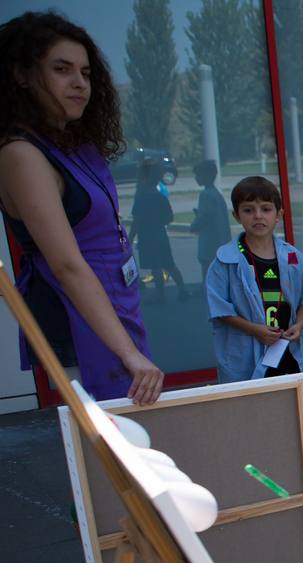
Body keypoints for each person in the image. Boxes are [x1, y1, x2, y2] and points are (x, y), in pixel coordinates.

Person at [0, 11, 161, 403]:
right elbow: (67, 265)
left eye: (86, 73)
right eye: (62, 69)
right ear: (22, 75)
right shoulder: (22, 154)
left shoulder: (72, 143)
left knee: (136, 439)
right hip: (82, 323)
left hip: (115, 310)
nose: (79, 84)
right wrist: (128, 354)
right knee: (114, 447)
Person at [205, 175, 303, 398]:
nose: (258, 216)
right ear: (236, 215)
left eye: (266, 209)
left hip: (287, 353)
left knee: (294, 412)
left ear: (279, 214)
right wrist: (256, 331)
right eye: (249, 210)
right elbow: (221, 311)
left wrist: (299, 326)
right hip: (246, 355)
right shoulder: (224, 261)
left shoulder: (292, 256)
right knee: (251, 413)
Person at [131, 159, 184, 299]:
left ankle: (160, 295)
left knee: (156, 266)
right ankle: (182, 289)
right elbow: (170, 217)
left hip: (147, 236)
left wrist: (130, 238)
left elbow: (137, 219)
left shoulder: (141, 196)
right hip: (160, 234)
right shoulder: (160, 196)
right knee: (169, 263)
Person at [189, 160, 230, 273]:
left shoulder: (206, 194)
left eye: (198, 175)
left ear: (207, 175)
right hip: (220, 242)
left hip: (210, 244)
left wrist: (193, 226)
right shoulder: (216, 194)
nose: (196, 178)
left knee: (208, 272)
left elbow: (204, 217)